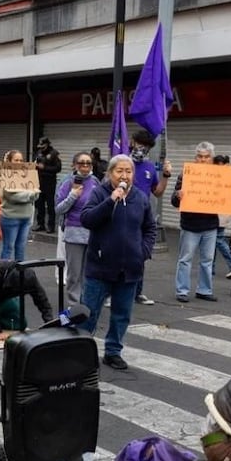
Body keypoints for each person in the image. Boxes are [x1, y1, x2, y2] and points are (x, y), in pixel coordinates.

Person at [79, 154, 158, 370]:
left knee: (122, 314)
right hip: (100, 266)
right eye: (119, 171)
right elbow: (87, 219)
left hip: (130, 268)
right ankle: (80, 351)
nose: (124, 175)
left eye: (129, 171)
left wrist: (143, 251)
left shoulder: (141, 198)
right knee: (89, 312)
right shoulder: (99, 193)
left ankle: (113, 351)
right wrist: (111, 199)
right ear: (110, 173)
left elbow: (150, 228)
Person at [171, 142, 220, 303]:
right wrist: (179, 195)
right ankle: (182, 291)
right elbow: (174, 201)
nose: (203, 160)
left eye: (206, 157)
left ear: (211, 159)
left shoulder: (219, 176)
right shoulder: (186, 175)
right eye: (200, 156)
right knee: (185, 259)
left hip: (210, 225)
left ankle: (204, 290)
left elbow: (225, 198)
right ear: (195, 157)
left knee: (207, 260)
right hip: (190, 225)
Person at [128, 129, 173, 305]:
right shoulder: (122, 163)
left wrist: (166, 175)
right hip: (122, 216)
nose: (142, 148)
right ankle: (112, 292)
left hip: (142, 218)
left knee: (140, 255)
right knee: (119, 254)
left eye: (146, 146)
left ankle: (137, 292)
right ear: (132, 142)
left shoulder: (149, 167)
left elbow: (158, 191)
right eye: (139, 144)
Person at [55, 152, 97, 307]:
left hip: (92, 233)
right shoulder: (67, 182)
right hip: (74, 232)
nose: (85, 166)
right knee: (74, 274)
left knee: (89, 272)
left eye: (88, 163)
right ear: (74, 165)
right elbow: (58, 209)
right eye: (81, 163)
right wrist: (73, 195)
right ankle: (74, 305)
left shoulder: (95, 182)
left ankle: (87, 304)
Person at [0, 149, 37, 262]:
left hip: (26, 217)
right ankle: (4, 274)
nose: (19, 162)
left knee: (21, 248)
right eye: (16, 160)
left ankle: (20, 275)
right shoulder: (4, 176)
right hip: (10, 218)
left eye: (21, 160)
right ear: (9, 161)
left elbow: (37, 195)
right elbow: (12, 196)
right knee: (8, 248)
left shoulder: (28, 175)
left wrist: (31, 194)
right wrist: (30, 194)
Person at [212, 154, 231, 280]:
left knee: (218, 240)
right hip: (215, 213)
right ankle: (210, 268)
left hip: (220, 214)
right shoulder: (225, 176)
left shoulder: (227, 177)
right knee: (213, 242)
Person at [32, 137, 63, 233]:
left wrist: (44, 167)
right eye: (40, 146)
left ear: (47, 144)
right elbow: (36, 164)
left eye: (43, 146)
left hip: (49, 183)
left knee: (50, 205)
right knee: (39, 204)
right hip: (39, 182)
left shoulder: (54, 154)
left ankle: (51, 226)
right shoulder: (39, 153)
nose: (41, 148)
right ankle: (40, 224)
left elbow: (58, 168)